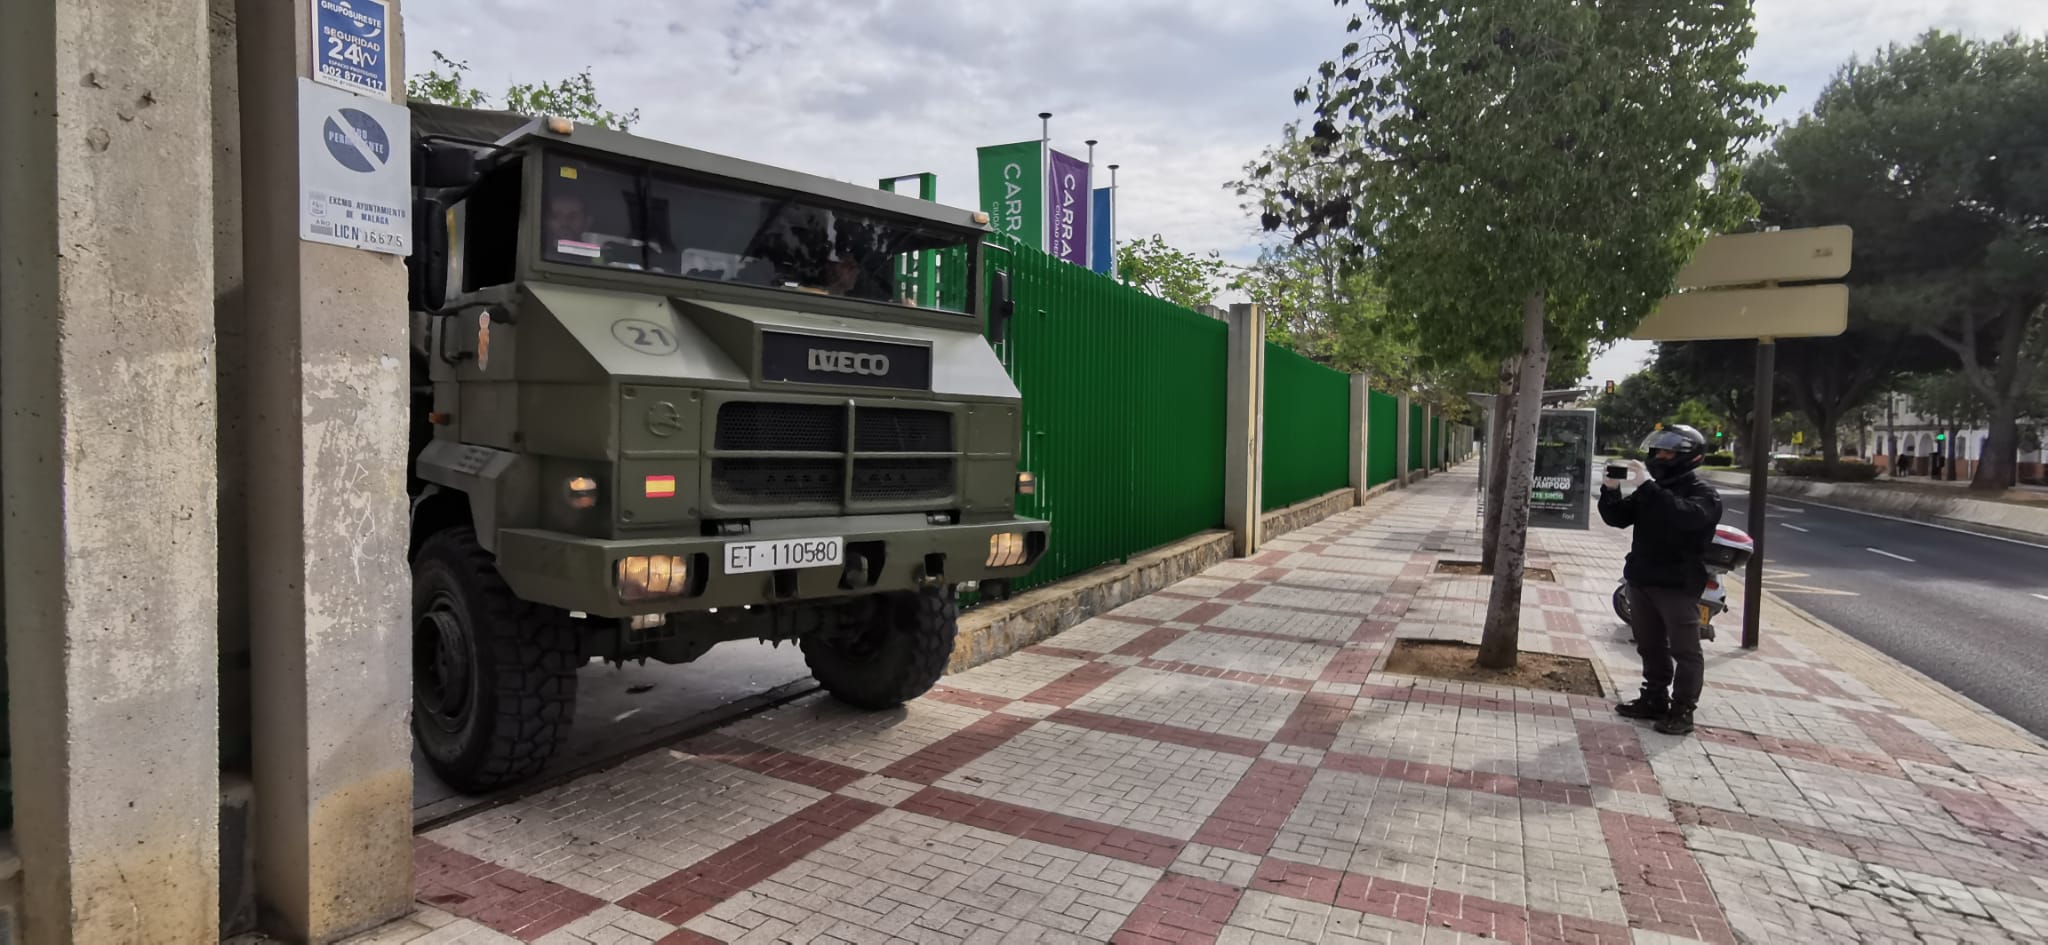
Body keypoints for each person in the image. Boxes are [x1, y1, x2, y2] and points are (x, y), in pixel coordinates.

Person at [1598, 424, 1723, 736]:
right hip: (1642, 578)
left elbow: (1685, 517)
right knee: (1650, 645)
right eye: (1657, 451)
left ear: (1688, 457)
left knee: (1685, 650)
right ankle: (1654, 697)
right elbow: (1617, 518)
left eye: (1668, 452)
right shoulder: (1650, 492)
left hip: (1677, 584)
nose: (1660, 456)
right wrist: (1610, 490)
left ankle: (1683, 710)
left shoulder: (1703, 494)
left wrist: (1650, 487)